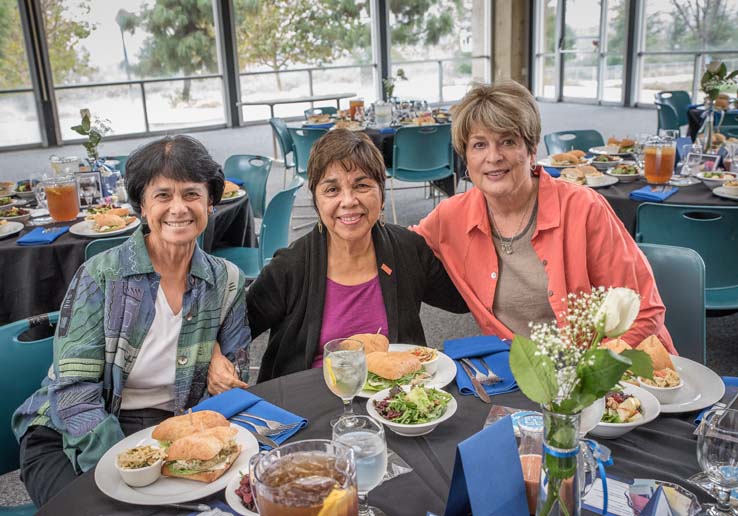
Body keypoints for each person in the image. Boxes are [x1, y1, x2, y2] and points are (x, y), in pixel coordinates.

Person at [12, 135, 251, 507]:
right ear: (141, 204)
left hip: (169, 428)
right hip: (72, 430)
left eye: (191, 194)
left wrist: (185, 450)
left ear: (210, 202)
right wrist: (130, 467)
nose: (179, 208)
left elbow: (235, 379)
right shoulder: (101, 276)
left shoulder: (227, 280)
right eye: (163, 195)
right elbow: (74, 395)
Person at [412, 81, 675, 353]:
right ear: (465, 155)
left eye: (508, 141)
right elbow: (399, 248)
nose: (493, 157)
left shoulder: (583, 209)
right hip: (523, 376)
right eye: (479, 145)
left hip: (610, 367)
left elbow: (645, 310)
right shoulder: (451, 216)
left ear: (531, 148)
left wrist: (590, 373)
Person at [242, 129, 468, 381]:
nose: (348, 201)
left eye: (361, 185)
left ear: (381, 194)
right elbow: (237, 331)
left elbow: (463, 299)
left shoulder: (407, 249)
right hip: (309, 402)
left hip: (394, 402)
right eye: (332, 190)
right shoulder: (290, 266)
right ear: (317, 201)